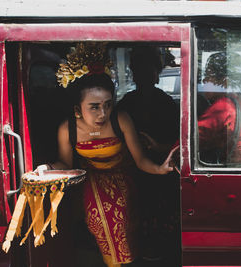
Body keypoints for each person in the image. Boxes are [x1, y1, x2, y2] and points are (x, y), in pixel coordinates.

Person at [35, 43, 177, 267]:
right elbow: (66, 163)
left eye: (108, 105)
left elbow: (140, 160)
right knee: (96, 216)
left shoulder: (121, 119)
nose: (103, 114)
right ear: (76, 109)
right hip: (91, 182)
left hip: (124, 179)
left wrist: (160, 169)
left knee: (126, 223)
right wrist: (48, 168)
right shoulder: (67, 128)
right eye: (94, 107)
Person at [117, 47, 180, 264]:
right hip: (132, 167)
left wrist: (158, 147)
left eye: (149, 70)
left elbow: (176, 138)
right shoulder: (126, 103)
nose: (144, 75)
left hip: (163, 164)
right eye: (139, 70)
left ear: (157, 73)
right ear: (134, 73)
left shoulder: (166, 103)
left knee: (160, 213)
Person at [197, 52, 241, 164]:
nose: (204, 81)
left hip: (238, 173)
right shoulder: (240, 102)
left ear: (224, 81)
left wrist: (162, 148)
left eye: (208, 76)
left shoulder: (223, 107)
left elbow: (188, 142)